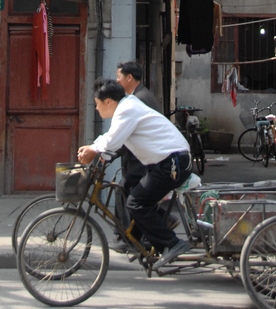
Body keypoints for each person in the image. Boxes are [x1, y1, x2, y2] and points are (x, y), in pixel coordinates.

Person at [78, 79, 191, 268]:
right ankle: (142, 236)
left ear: (108, 102)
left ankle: (171, 243)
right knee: (128, 187)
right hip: (165, 162)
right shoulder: (126, 107)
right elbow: (114, 138)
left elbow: (112, 140)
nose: (96, 109)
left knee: (135, 202)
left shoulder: (126, 109)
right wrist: (96, 148)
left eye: (97, 104)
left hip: (173, 163)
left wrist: (93, 149)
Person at [112, 62, 161, 249]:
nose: (117, 80)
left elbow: (127, 134)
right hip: (141, 157)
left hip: (143, 159)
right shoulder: (140, 96)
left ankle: (129, 237)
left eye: (119, 77)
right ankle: (130, 234)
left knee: (125, 191)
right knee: (128, 192)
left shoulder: (139, 99)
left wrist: (110, 151)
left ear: (129, 78)